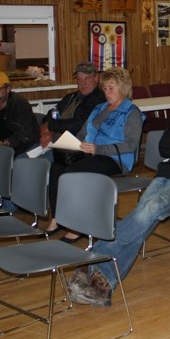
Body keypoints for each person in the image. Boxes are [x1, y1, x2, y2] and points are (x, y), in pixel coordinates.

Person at [67, 81, 170, 307]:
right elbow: (165, 144)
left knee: (148, 210)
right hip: (167, 173)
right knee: (143, 217)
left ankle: (96, 257)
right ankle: (104, 284)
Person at [45, 67, 142, 241]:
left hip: (115, 159)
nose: (106, 92)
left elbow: (130, 145)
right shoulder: (100, 108)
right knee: (57, 167)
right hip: (91, 154)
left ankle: (78, 225)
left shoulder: (131, 112)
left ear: (123, 88)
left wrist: (98, 149)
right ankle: (58, 216)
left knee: (74, 172)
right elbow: (83, 132)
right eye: (105, 88)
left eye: (111, 88)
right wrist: (72, 144)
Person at [35, 62, 105, 161]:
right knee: (23, 159)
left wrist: (50, 125)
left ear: (96, 78)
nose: (83, 83)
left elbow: (77, 125)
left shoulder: (98, 99)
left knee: (30, 163)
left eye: (87, 78)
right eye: (79, 79)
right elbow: (53, 112)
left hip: (73, 150)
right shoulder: (71, 97)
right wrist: (49, 131)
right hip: (53, 144)